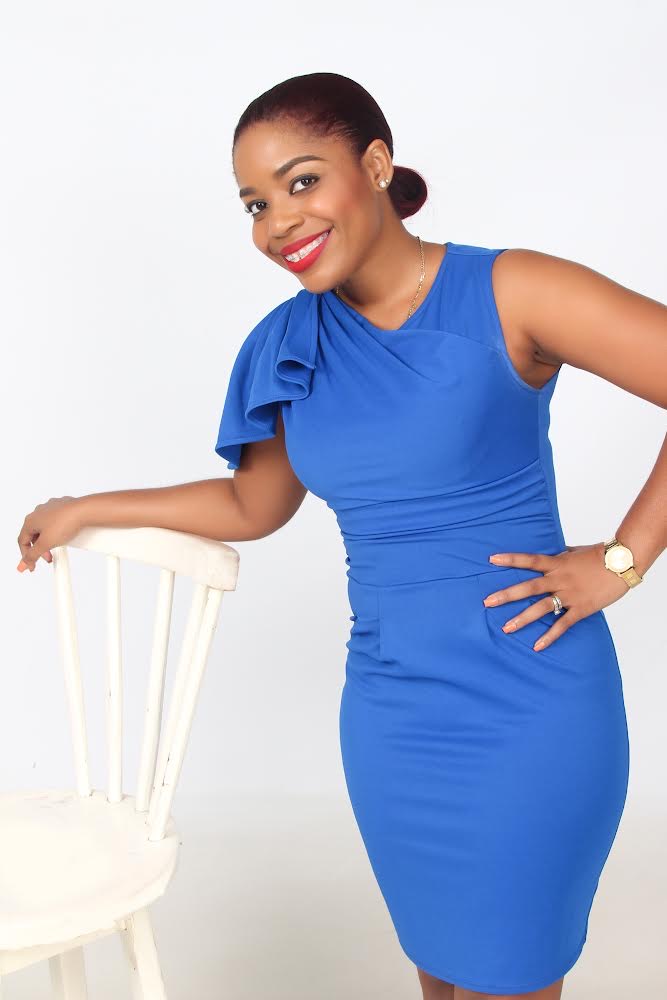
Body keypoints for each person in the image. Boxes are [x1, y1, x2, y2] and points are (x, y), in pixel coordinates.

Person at [16, 72, 667, 1000]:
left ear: (375, 164)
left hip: (529, 705)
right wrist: (92, 507)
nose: (278, 221)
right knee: (442, 972)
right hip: (390, 712)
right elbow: (255, 505)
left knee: (508, 973)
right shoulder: (287, 343)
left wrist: (622, 561)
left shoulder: (509, 290)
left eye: (301, 181)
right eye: (255, 203)